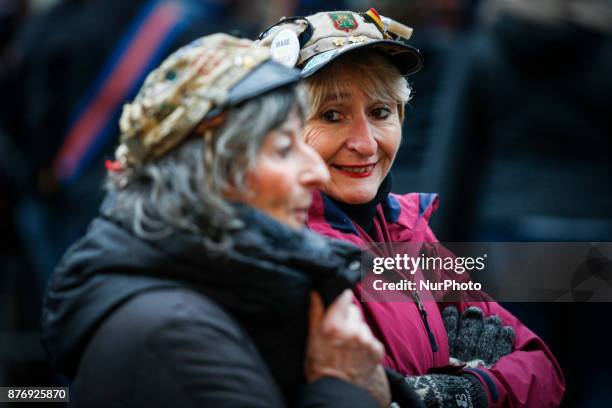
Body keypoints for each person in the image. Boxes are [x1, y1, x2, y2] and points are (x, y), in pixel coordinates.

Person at [41, 34, 422, 407]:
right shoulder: (179, 336)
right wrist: (341, 383)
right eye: (285, 149)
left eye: (381, 112)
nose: (316, 172)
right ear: (208, 174)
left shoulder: (253, 286)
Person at [257, 9, 565, 407]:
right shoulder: (279, 251)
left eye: (380, 112)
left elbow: (545, 371)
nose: (366, 144)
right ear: (275, 133)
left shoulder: (408, 228)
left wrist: (470, 391)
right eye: (332, 116)